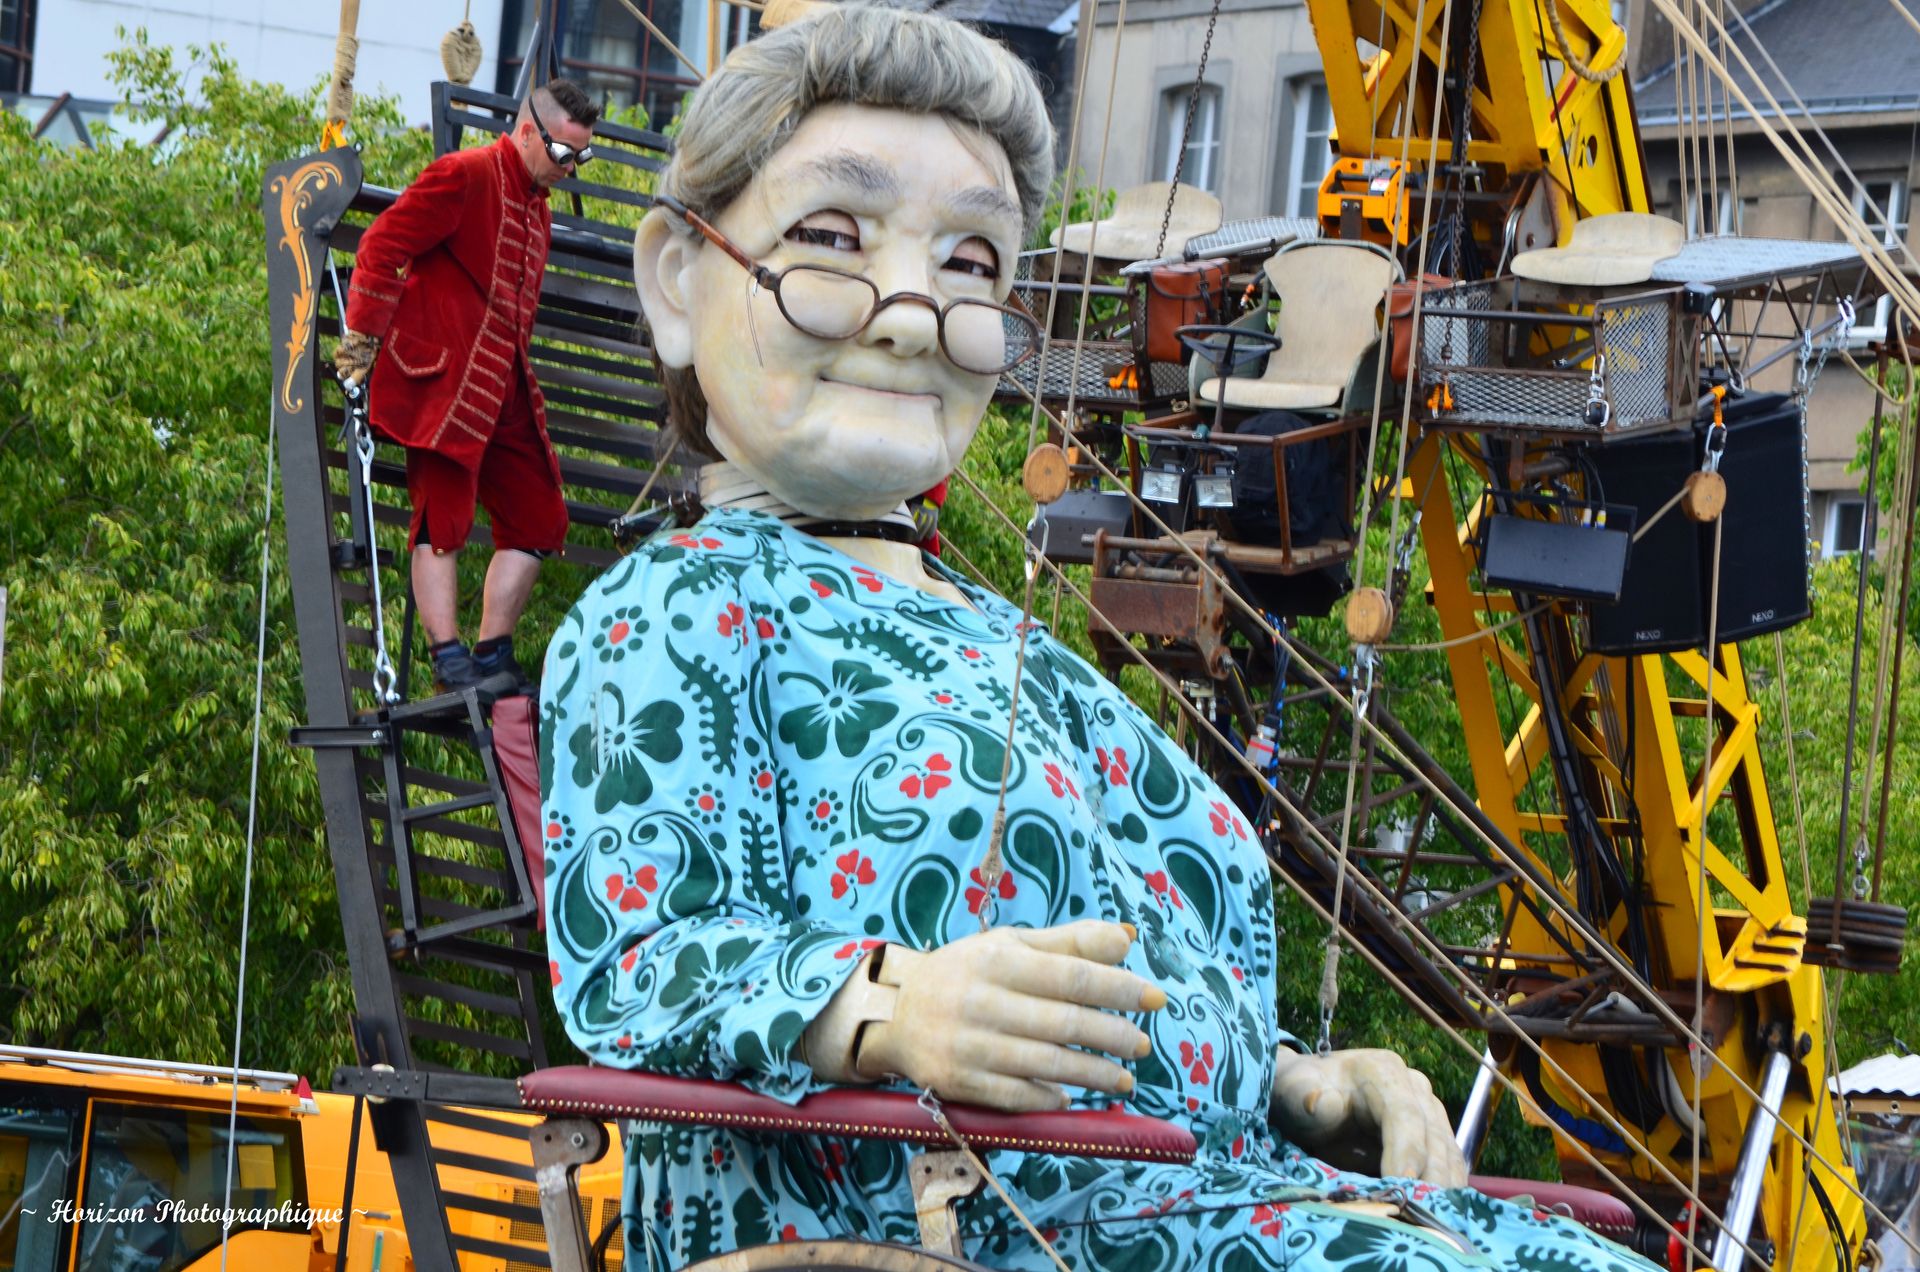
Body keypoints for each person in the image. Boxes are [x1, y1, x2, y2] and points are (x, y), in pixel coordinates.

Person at [540, 9, 1659, 1270]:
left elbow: (1132, 933)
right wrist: (888, 1006)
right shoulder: (678, 615)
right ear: (679, 281)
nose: (913, 315)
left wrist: (1302, 1072)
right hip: (935, 1222)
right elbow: (646, 954)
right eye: (832, 240)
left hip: (1207, 1195)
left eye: (970, 264)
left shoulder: (1004, 639)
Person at [333, 80, 600, 695]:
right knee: (442, 522)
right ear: (528, 131)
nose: (571, 169)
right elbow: (380, 246)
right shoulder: (464, 174)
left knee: (540, 517)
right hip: (444, 387)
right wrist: (360, 349)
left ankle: (489, 655)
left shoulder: (539, 207)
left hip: (503, 391)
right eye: (565, 154)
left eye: (581, 158)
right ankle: (447, 658)